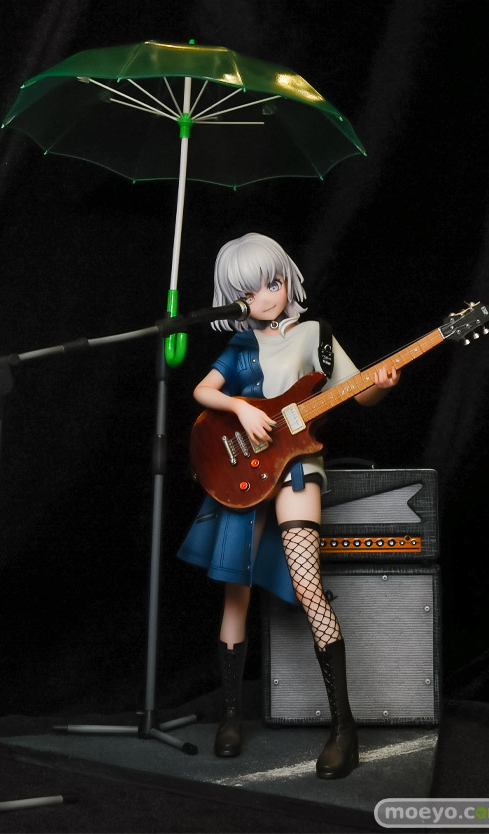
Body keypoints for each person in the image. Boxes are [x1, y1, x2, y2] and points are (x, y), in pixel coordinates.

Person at [178, 232, 400, 779]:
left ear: (288, 278)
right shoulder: (240, 346)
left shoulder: (315, 334)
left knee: (309, 586)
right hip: (244, 471)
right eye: (249, 292)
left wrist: (381, 384)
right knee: (236, 592)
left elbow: (358, 391)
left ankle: (343, 727)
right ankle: (231, 715)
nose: (265, 296)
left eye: (273, 282)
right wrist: (242, 408)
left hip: (298, 467)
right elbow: (203, 391)